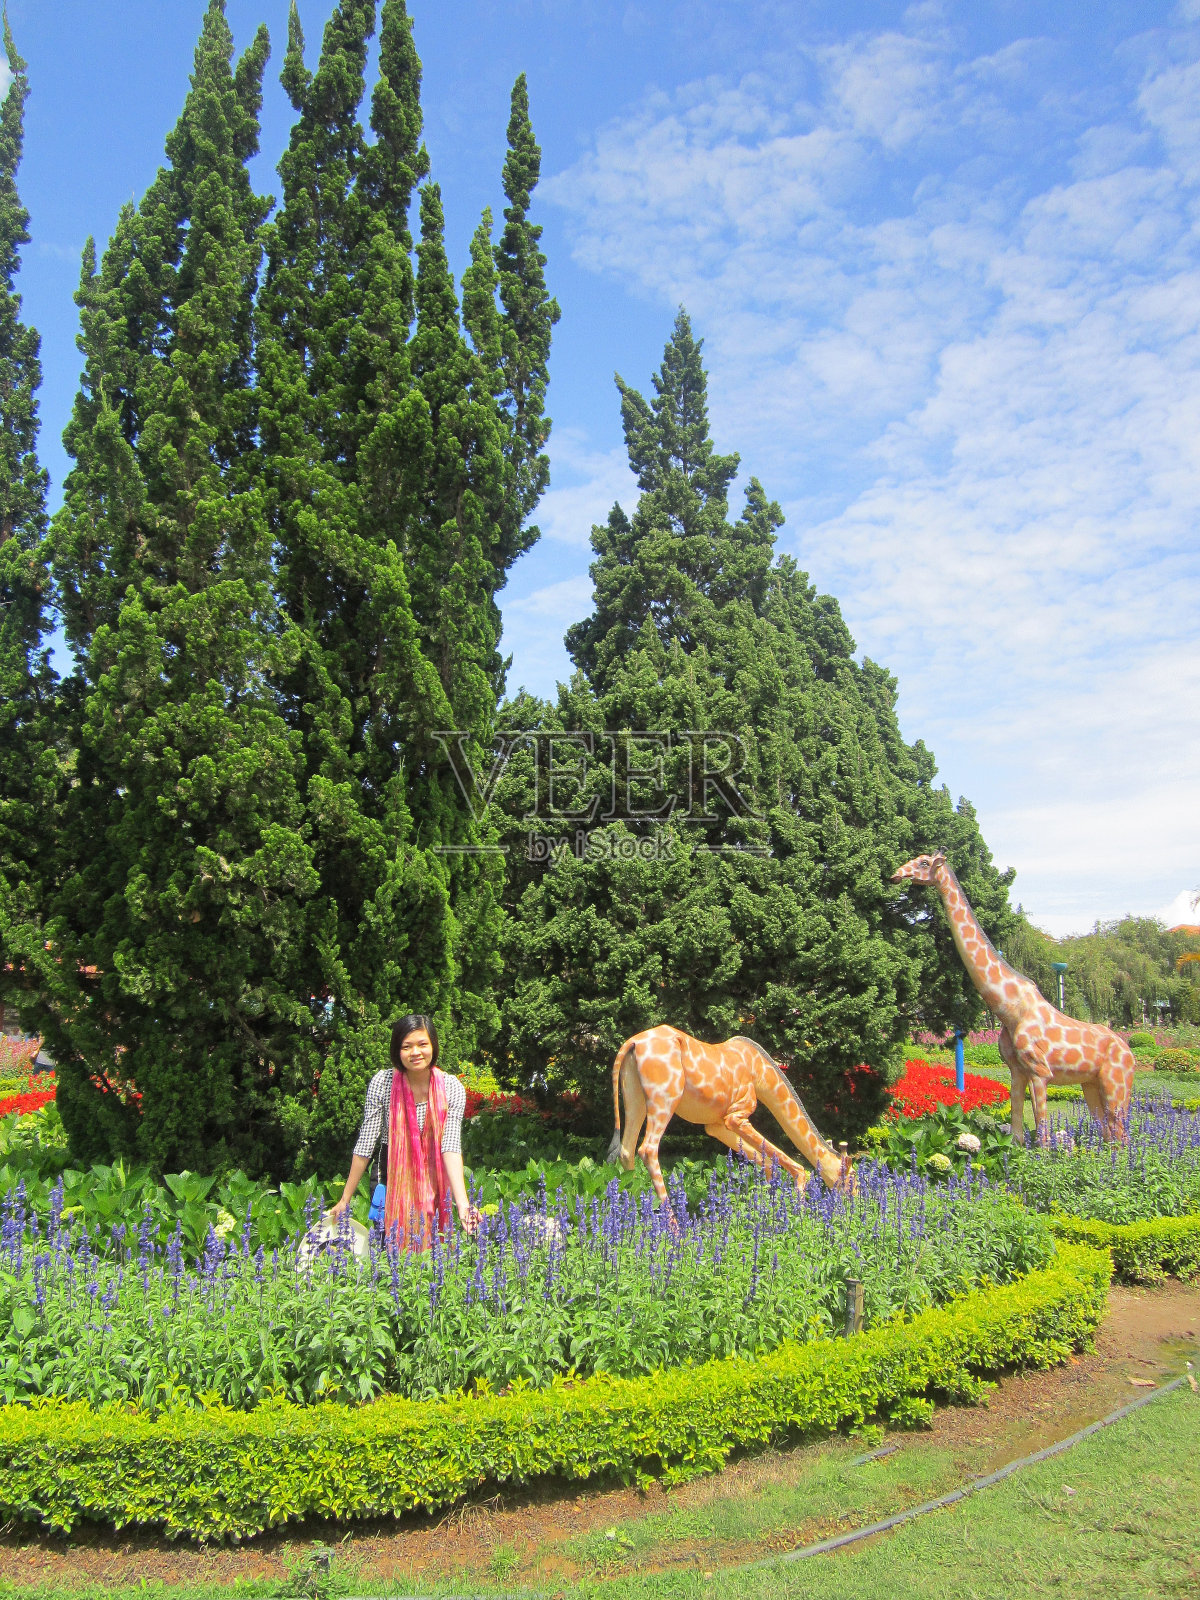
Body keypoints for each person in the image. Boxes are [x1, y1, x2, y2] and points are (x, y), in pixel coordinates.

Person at [326, 1014, 480, 1250]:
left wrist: (463, 1205)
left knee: (436, 1247)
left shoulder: (451, 1087)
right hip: (392, 1170)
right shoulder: (383, 1083)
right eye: (406, 1046)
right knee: (388, 1246)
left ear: (433, 1046)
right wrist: (345, 1199)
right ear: (397, 1051)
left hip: (436, 1170)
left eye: (422, 1044)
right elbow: (366, 1143)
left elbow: (450, 1145)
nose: (415, 1052)